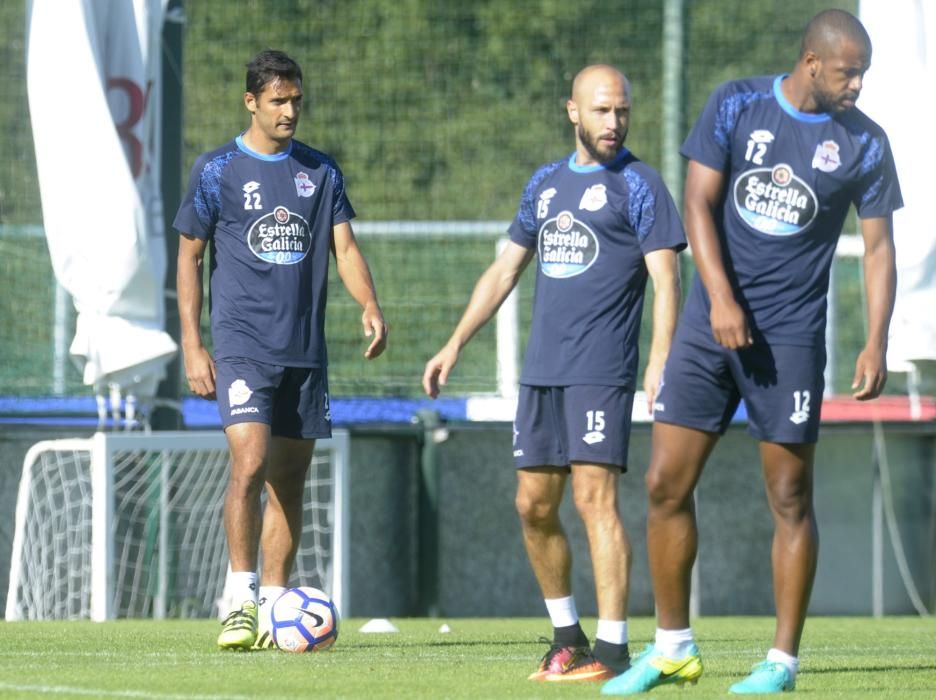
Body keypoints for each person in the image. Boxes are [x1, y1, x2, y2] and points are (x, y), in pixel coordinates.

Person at [602, 9, 902, 696]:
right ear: (811, 63)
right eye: (848, 72)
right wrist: (722, 298)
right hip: (710, 330)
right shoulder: (735, 103)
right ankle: (673, 646)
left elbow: (880, 248)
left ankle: (781, 663)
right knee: (662, 485)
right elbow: (698, 205)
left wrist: (875, 339)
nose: (857, 85)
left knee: (790, 495)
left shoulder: (866, 143)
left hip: (791, 340)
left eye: (864, 73)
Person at [423, 64, 685, 682]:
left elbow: (667, 280)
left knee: (596, 500)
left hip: (601, 370)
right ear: (573, 112)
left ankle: (615, 651)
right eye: (601, 111)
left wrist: (659, 357)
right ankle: (569, 638)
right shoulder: (544, 184)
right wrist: (454, 343)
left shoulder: (641, 185)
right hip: (542, 373)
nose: (614, 122)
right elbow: (504, 271)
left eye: (622, 110)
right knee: (533, 505)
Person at [174, 49, 387, 651]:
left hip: (304, 351)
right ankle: (238, 599)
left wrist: (369, 304)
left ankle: (274, 603)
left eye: (296, 100)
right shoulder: (216, 170)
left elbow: (345, 249)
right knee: (249, 462)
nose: (290, 110)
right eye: (278, 101)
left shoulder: (320, 172)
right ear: (251, 102)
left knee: (290, 483)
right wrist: (193, 344)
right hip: (242, 346)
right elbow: (189, 256)